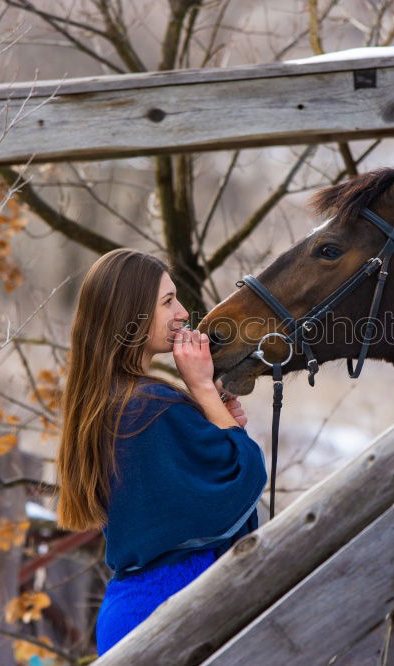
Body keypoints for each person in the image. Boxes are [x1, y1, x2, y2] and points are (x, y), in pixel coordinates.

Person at [54, 248, 267, 656]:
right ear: (130, 313)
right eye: (168, 302)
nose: (184, 312)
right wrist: (204, 389)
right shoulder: (147, 406)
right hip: (174, 609)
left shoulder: (108, 404)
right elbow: (244, 474)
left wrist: (219, 423)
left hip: (130, 612)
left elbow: (184, 489)